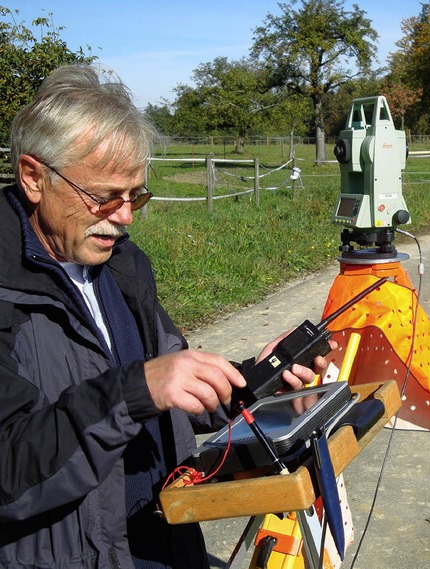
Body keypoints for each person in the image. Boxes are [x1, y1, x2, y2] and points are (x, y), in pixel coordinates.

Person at [0, 64, 332, 569]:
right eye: (104, 196)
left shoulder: (122, 265)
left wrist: (252, 381)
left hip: (165, 546)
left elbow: (172, 389)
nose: (125, 215)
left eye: (136, 195)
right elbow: (9, 476)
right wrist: (137, 390)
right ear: (33, 177)